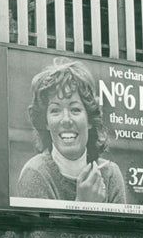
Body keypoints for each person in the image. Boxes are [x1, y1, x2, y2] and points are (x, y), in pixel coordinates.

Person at [16, 59, 125, 204]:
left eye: (75, 109)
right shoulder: (35, 174)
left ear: (90, 120)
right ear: (46, 122)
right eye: (55, 110)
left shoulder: (110, 175)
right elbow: (43, 228)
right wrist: (83, 204)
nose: (66, 120)